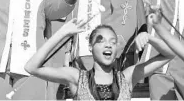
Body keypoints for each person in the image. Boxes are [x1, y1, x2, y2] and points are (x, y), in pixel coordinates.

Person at [25, 12, 175, 100]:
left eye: (112, 41)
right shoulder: (77, 77)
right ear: (90, 47)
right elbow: (31, 67)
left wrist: (150, 38)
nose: (108, 44)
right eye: (101, 40)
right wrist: (62, 33)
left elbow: (169, 55)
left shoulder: (127, 77)